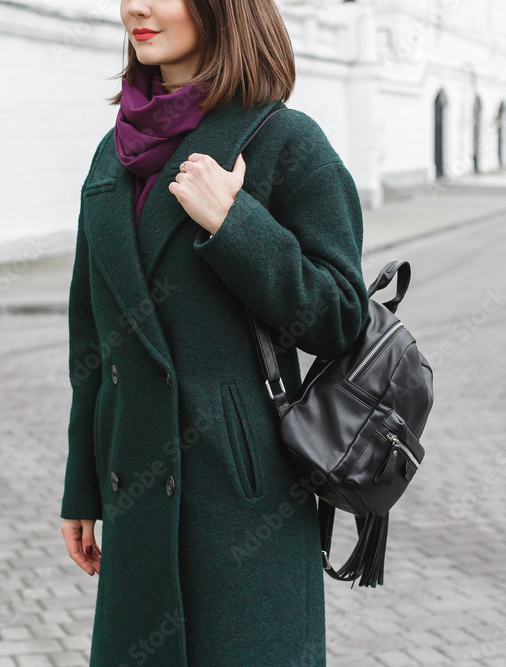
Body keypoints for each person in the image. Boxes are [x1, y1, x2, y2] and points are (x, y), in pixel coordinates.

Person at [59, 0, 370, 664]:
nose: (135, 8)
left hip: (243, 507)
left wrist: (235, 226)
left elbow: (342, 315)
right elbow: (92, 338)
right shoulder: (112, 155)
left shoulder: (285, 141)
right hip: (136, 497)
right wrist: (81, 486)